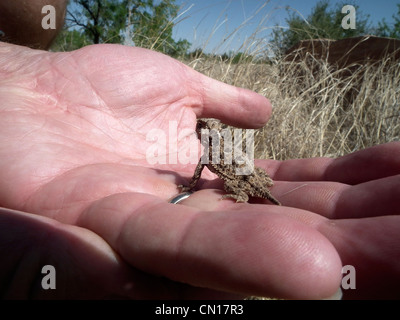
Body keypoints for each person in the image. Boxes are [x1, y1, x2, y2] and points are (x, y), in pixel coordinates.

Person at [0, 2, 399, 300]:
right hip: (245, 173)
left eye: (203, 129)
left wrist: (224, 185)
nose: (200, 131)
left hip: (246, 177)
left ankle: (264, 202)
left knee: (250, 193)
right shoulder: (210, 149)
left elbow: (200, 175)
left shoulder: (211, 151)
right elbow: (197, 174)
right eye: (201, 129)